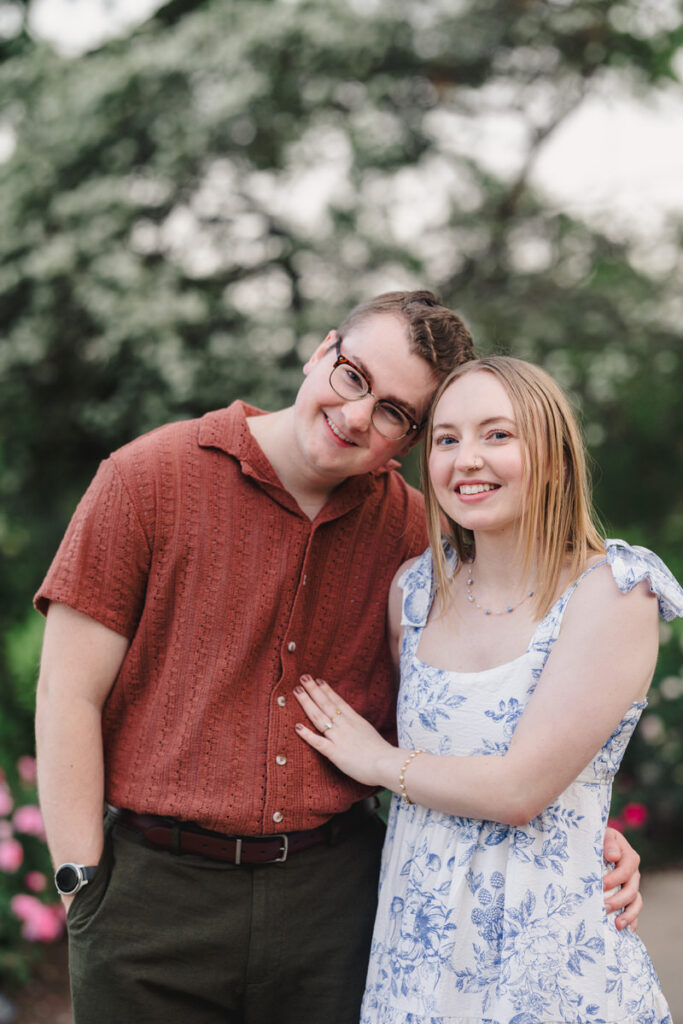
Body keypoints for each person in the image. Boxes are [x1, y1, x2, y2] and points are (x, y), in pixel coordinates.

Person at [33, 298, 642, 1024]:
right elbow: (66, 693)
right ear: (322, 351)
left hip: (337, 907)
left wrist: (581, 824)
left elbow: (487, 696)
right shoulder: (146, 479)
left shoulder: (422, 541)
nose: (356, 416)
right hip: (152, 902)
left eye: (393, 413)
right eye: (352, 376)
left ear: (406, 440)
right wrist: (81, 883)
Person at [294, 355, 680, 1023]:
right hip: (415, 961)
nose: (466, 459)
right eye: (447, 439)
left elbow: (520, 790)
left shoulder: (613, 590)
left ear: (554, 458)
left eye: (497, 435)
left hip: (548, 963)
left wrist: (378, 761)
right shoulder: (414, 592)